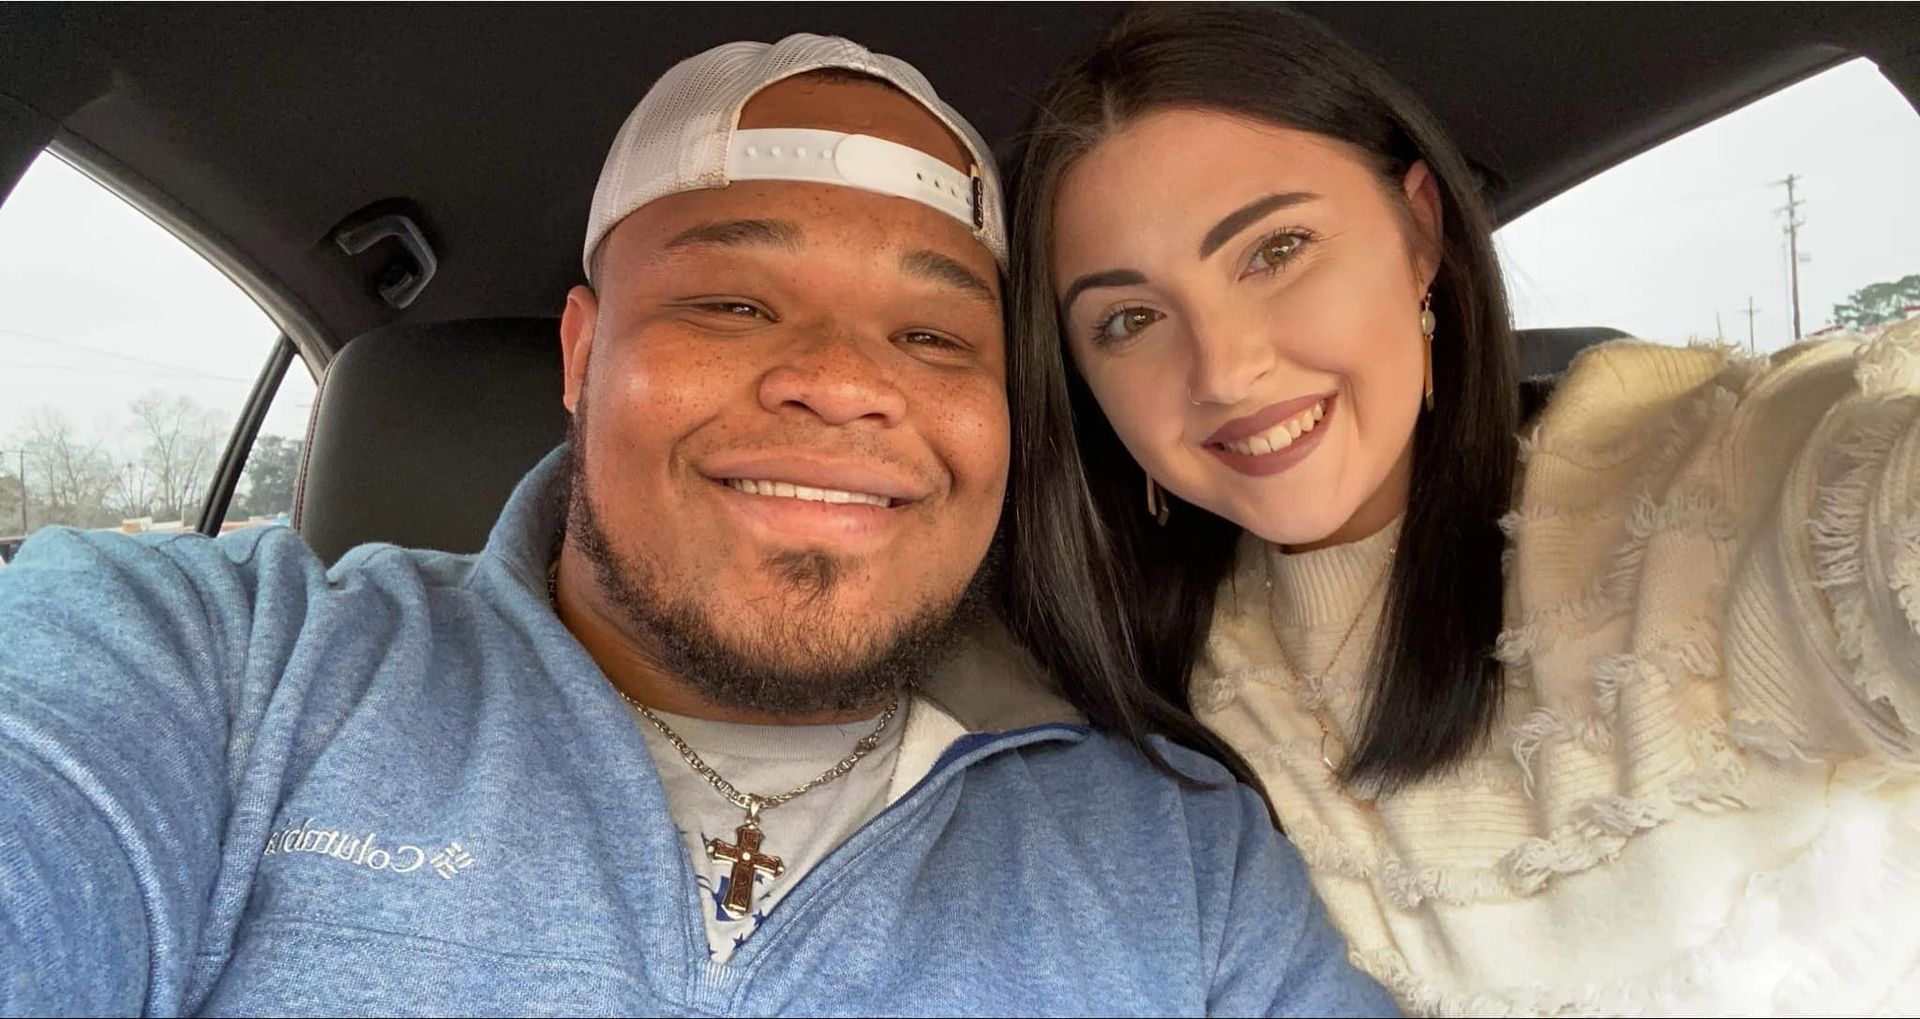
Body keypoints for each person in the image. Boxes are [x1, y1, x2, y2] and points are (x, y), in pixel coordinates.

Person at [0, 31, 1394, 1017]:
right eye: (732, 302)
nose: (848, 379)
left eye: (931, 329)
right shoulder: (219, 674)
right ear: (580, 354)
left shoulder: (1177, 854)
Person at [1003, 4, 1920, 1014]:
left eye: (1276, 249)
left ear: (1421, 232)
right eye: (1129, 318)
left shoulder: (1697, 488)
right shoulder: (1152, 691)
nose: (1223, 369)